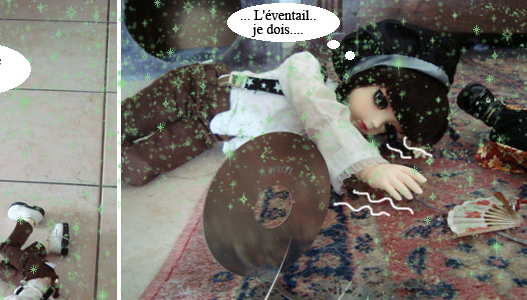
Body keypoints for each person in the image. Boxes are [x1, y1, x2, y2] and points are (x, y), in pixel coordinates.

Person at [122, 20, 458, 199]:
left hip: (209, 131)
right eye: (381, 101)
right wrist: (367, 166)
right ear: (365, 74)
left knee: (135, 168)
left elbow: (322, 149)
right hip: (196, 89)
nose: (373, 122)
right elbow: (320, 114)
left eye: (389, 128)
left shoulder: (341, 130)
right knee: (127, 120)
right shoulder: (306, 70)